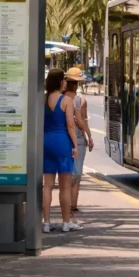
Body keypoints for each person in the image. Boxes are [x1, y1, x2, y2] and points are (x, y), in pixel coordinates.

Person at [43, 69, 81, 233]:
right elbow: (71, 125)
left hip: (46, 142)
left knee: (47, 185)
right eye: (64, 80)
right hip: (62, 142)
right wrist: (75, 145)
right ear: (60, 82)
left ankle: (46, 223)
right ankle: (66, 223)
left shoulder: (43, 99)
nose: (66, 82)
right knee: (65, 187)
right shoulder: (66, 100)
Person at [63, 67, 93, 223]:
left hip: (62, 139)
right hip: (78, 140)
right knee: (76, 174)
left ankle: (65, 204)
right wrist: (89, 136)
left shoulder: (59, 98)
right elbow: (83, 121)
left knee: (65, 175)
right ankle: (72, 206)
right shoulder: (80, 101)